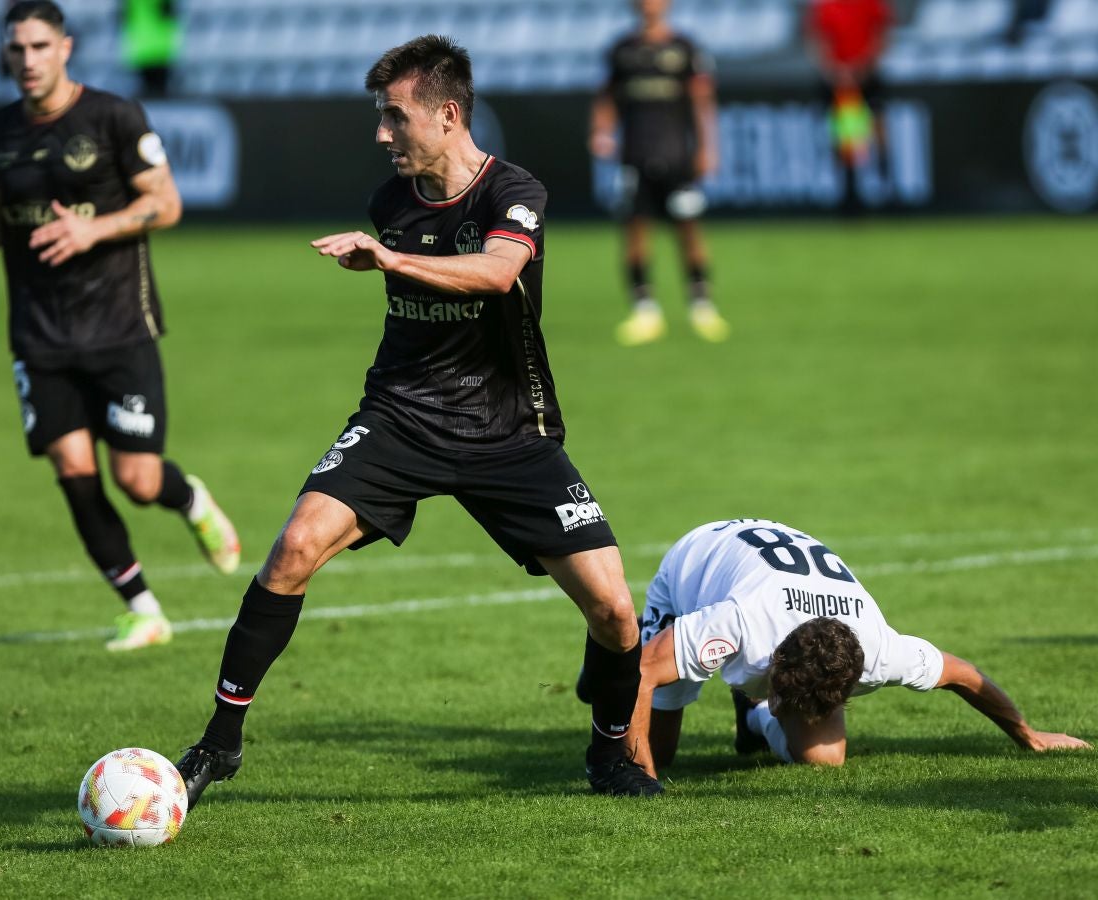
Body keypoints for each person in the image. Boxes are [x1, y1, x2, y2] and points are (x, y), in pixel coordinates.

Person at [173, 35, 662, 807]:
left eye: (395, 119)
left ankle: (609, 755)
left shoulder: (515, 191)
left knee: (613, 609)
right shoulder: (390, 202)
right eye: (380, 119)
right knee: (294, 547)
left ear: (448, 114)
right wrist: (388, 249)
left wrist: (390, 260)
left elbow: (500, 272)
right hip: (401, 417)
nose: (382, 135)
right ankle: (218, 745)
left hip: (508, 431)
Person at [0, 1, 240, 651]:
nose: (28, 60)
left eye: (40, 46)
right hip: (39, 334)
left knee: (136, 479)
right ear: (6, 55)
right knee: (71, 468)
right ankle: (143, 609)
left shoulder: (115, 117)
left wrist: (95, 226)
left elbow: (166, 204)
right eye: (17, 49)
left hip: (120, 324)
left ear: (65, 47)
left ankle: (190, 500)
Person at [619, 519, 1090, 777]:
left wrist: (1028, 735)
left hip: (767, 598)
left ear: (848, 690)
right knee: (659, 749)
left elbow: (964, 675)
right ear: (776, 659)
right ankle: (614, 639)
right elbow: (643, 671)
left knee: (824, 760)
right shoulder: (741, 620)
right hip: (698, 560)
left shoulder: (882, 649)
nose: (784, 703)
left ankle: (751, 714)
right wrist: (640, 780)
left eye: (786, 701)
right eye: (778, 693)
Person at [590, 0, 728, 347]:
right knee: (636, 233)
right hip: (635, 158)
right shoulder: (622, 51)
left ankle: (701, 306)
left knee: (689, 232)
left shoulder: (685, 48)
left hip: (677, 159)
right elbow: (606, 98)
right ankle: (645, 310)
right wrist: (602, 131)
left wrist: (708, 148)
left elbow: (702, 101)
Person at [802, 0, 893, 214]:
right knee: (847, 138)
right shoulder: (826, 6)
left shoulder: (871, 4)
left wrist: (863, 68)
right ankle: (850, 193)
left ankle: (886, 183)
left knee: (877, 128)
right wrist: (837, 71)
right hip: (838, 79)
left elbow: (882, 36)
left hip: (866, 76)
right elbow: (818, 42)